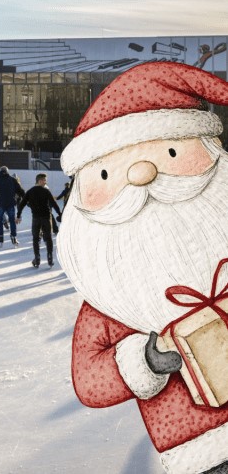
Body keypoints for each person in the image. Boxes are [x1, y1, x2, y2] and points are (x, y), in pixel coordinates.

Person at [57, 62, 228, 472]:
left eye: (170, 153)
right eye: (106, 173)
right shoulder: (115, 296)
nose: (142, 174)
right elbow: (89, 378)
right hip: (200, 450)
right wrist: (145, 361)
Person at [17, 173, 62, 268]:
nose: (45, 182)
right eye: (44, 180)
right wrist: (60, 214)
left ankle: (37, 258)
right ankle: (50, 258)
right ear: (39, 180)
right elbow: (53, 203)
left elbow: (21, 204)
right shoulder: (46, 191)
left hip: (36, 219)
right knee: (48, 237)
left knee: (36, 239)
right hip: (46, 218)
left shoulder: (30, 191)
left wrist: (18, 215)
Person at [0, 166, 25, 246]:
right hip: (11, 204)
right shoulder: (13, 180)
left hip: (0, 204)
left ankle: (0, 237)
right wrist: (26, 198)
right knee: (12, 221)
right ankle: (14, 237)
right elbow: (20, 191)